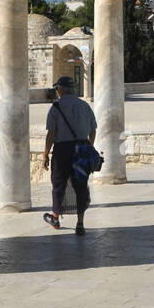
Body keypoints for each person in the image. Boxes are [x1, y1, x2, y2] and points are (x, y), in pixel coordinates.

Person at [42, 76, 97, 235]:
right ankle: (80, 224)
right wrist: (89, 146)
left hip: (62, 150)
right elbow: (93, 129)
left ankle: (55, 218)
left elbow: (51, 134)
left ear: (60, 89)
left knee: (58, 183)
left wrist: (45, 154)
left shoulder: (56, 108)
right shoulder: (85, 106)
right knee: (80, 185)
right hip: (81, 148)